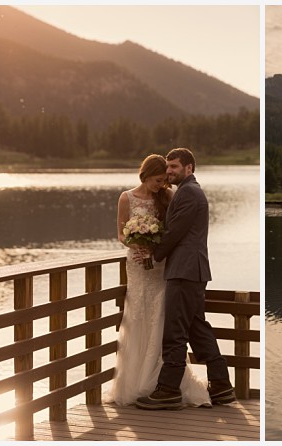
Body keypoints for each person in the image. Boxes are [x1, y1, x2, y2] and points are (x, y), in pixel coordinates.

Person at [105, 154, 211, 407]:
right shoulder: (126, 197)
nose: (160, 185)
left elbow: (173, 231)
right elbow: (120, 233)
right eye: (157, 180)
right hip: (137, 264)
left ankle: (161, 383)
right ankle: (134, 382)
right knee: (137, 317)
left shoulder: (169, 196)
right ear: (145, 175)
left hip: (161, 265)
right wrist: (135, 241)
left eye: (164, 180)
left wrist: (154, 248)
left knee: (161, 319)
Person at [136, 148, 235, 410]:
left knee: (175, 331)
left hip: (185, 270)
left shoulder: (189, 193)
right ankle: (222, 387)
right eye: (168, 167)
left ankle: (168, 390)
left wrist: (152, 255)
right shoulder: (188, 191)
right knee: (196, 327)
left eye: (175, 167)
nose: (169, 171)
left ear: (189, 168)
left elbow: (175, 233)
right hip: (191, 270)